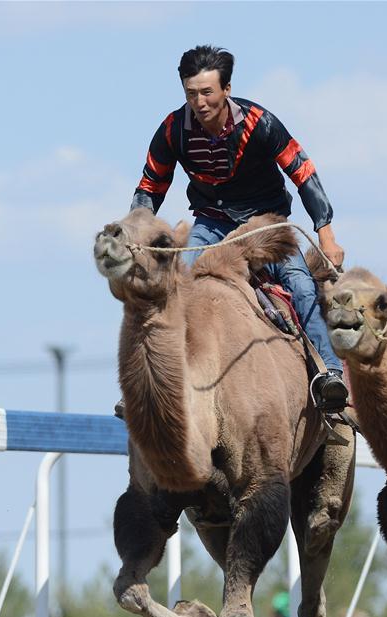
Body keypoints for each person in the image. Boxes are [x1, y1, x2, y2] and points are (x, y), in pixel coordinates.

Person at [130, 45, 348, 411]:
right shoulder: (172, 131)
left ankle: (328, 373)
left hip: (265, 225)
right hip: (210, 225)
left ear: (227, 89)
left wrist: (326, 233)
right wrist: (137, 234)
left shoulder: (260, 123)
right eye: (191, 93)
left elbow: (304, 174)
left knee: (300, 283)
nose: (199, 102)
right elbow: (150, 187)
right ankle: (151, 382)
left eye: (207, 92)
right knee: (169, 284)